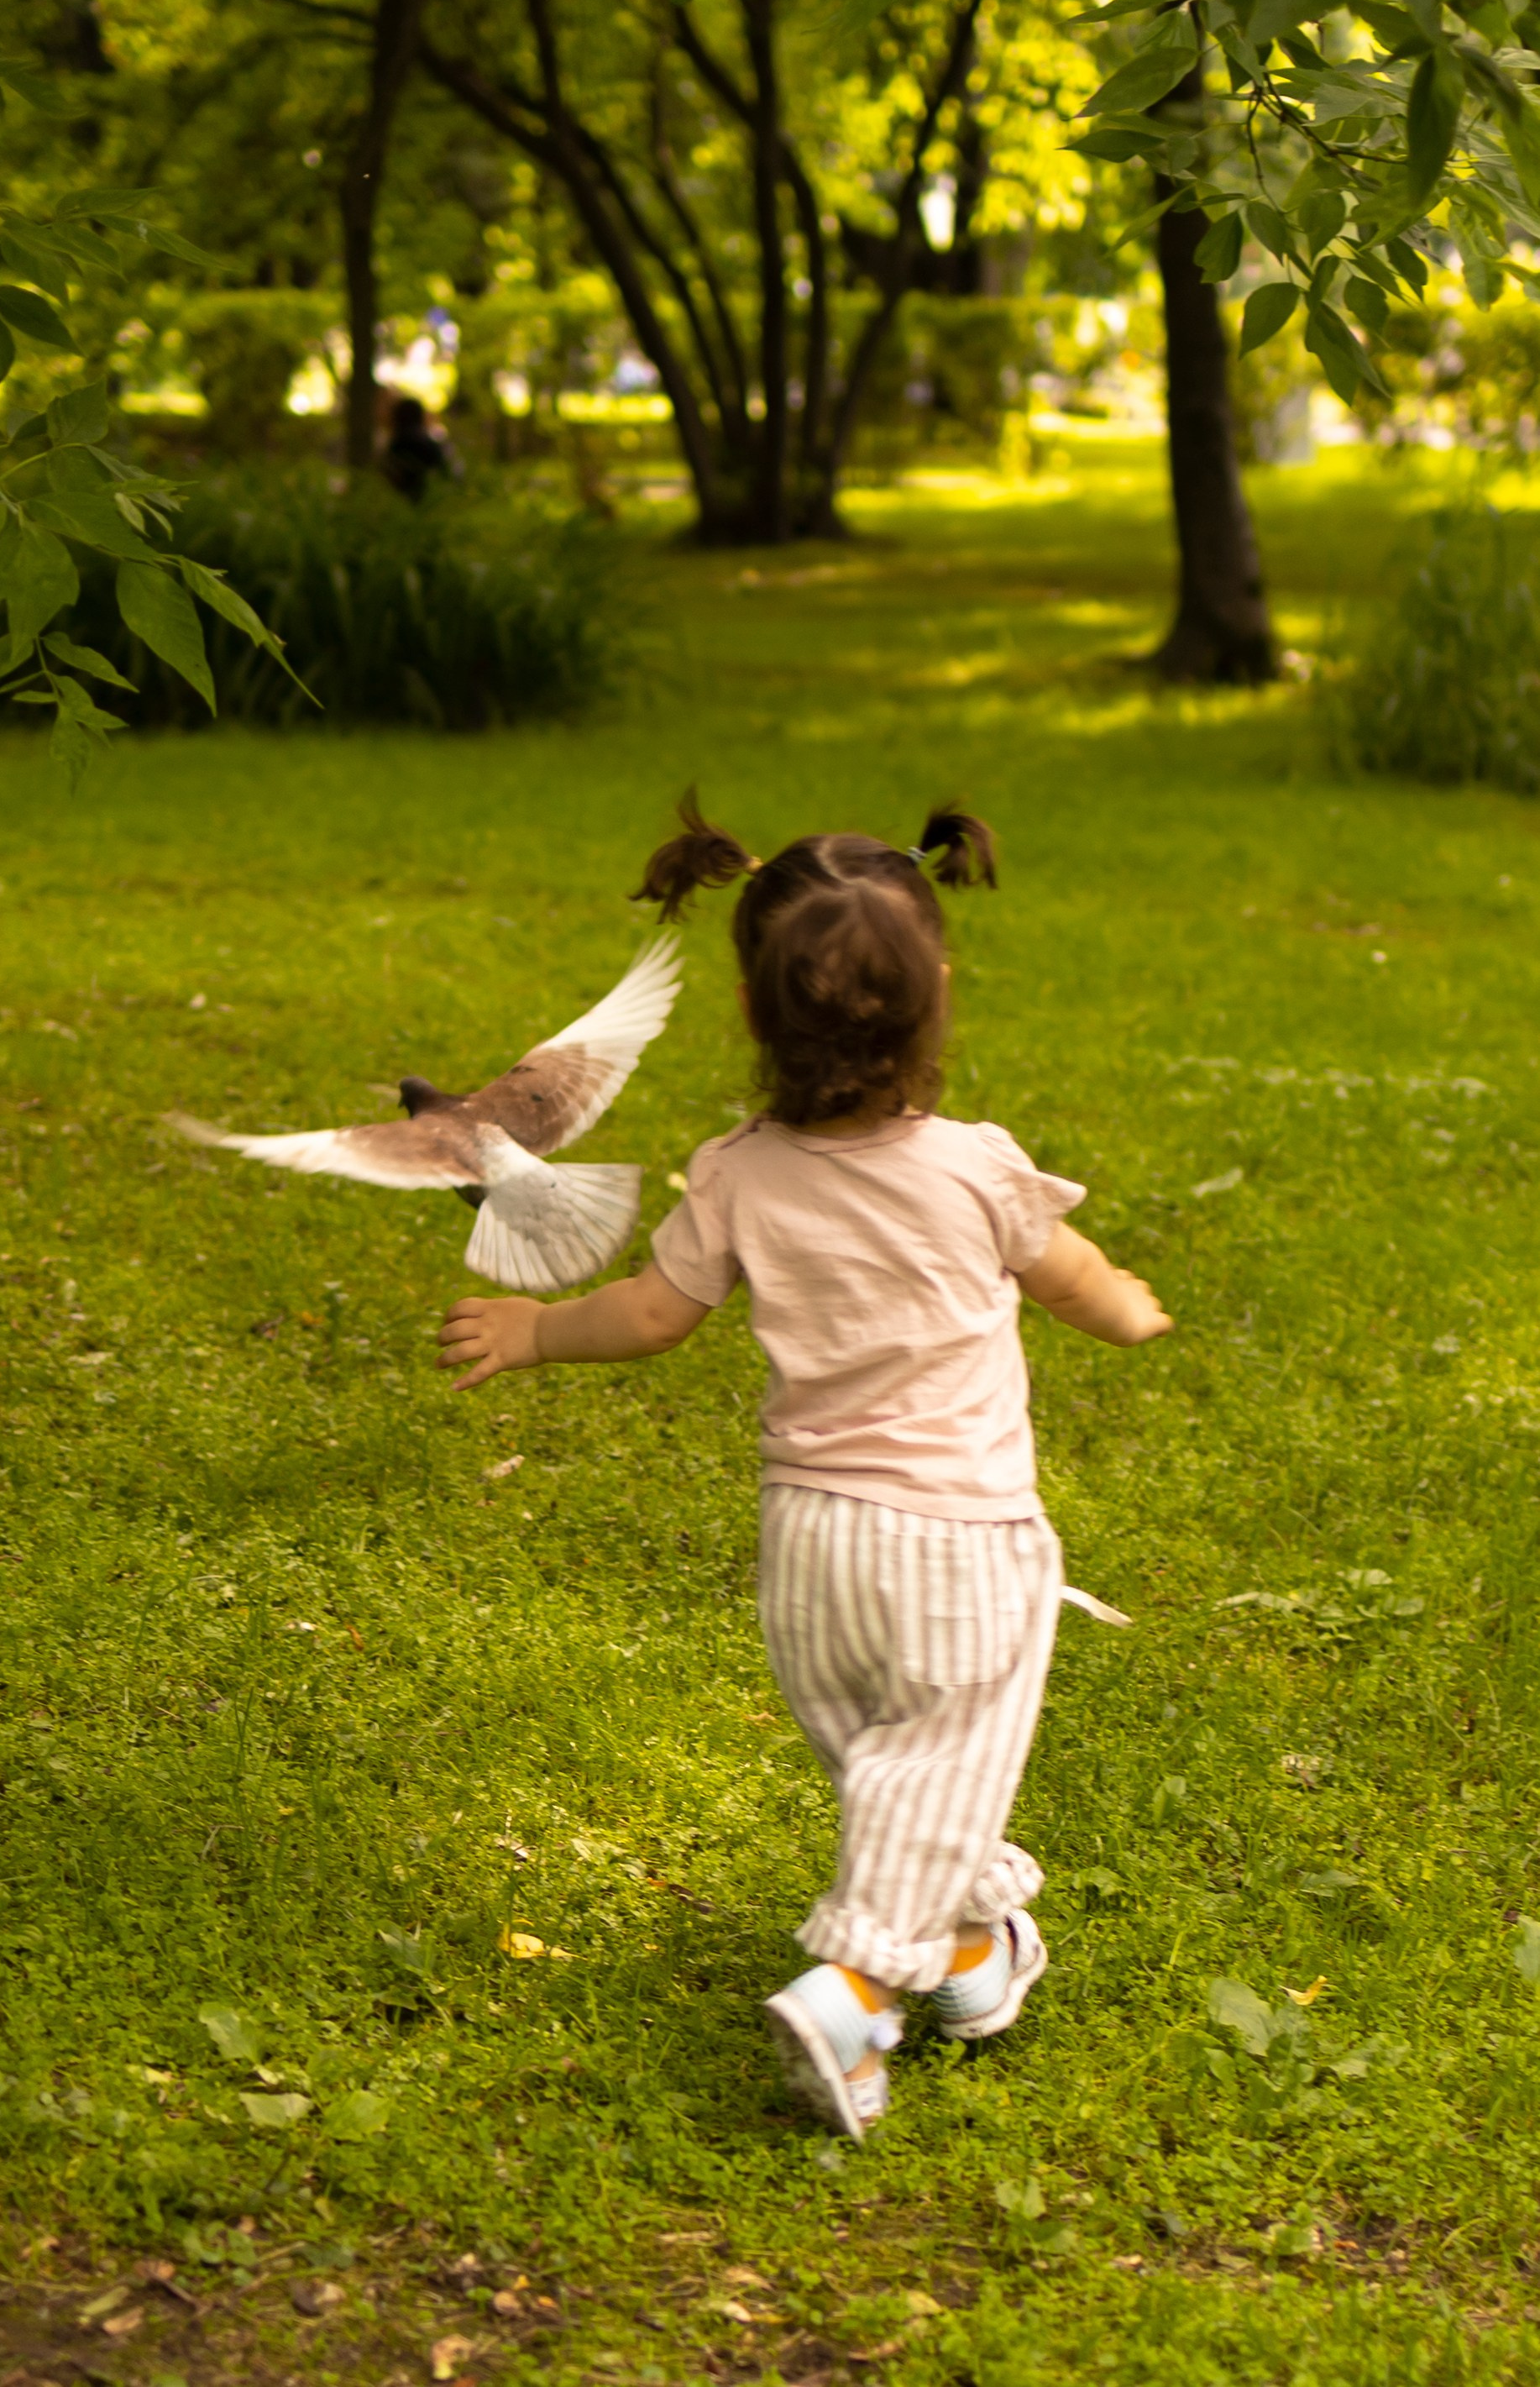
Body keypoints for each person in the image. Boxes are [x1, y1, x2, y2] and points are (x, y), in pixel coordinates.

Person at [436, 793, 1171, 2142]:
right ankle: (853, 1992)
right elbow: (1073, 1279)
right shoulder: (974, 1170)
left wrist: (537, 1331)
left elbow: (652, 1313)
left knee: (899, 1776)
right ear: (938, 994)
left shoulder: (735, 1175)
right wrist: (1126, 1308)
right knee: (945, 1750)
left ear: (749, 1009)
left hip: (810, 1555)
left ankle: (968, 1954)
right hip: (961, 1545)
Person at [382, 394, 453, 501]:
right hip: (429, 502)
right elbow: (444, 472)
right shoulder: (429, 443)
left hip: (400, 501)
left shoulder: (395, 445)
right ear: (420, 416)